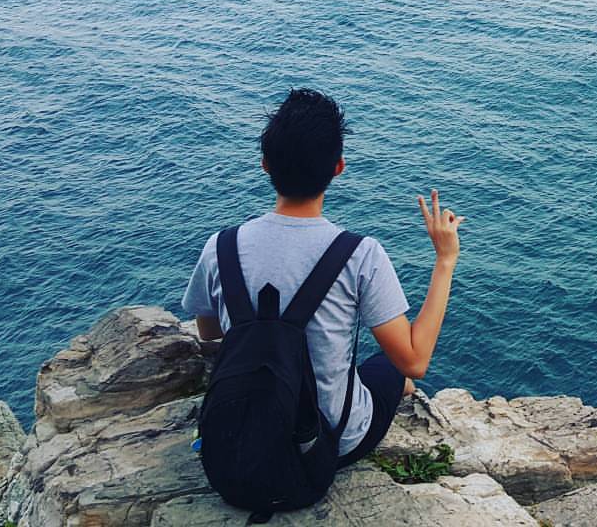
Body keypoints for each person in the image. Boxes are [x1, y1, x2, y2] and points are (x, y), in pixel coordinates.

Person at [181, 87, 465, 466]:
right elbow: (414, 359)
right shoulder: (361, 255)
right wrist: (445, 259)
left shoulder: (221, 247)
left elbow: (209, 332)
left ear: (265, 164)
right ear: (338, 167)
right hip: (326, 445)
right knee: (393, 371)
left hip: (238, 441)